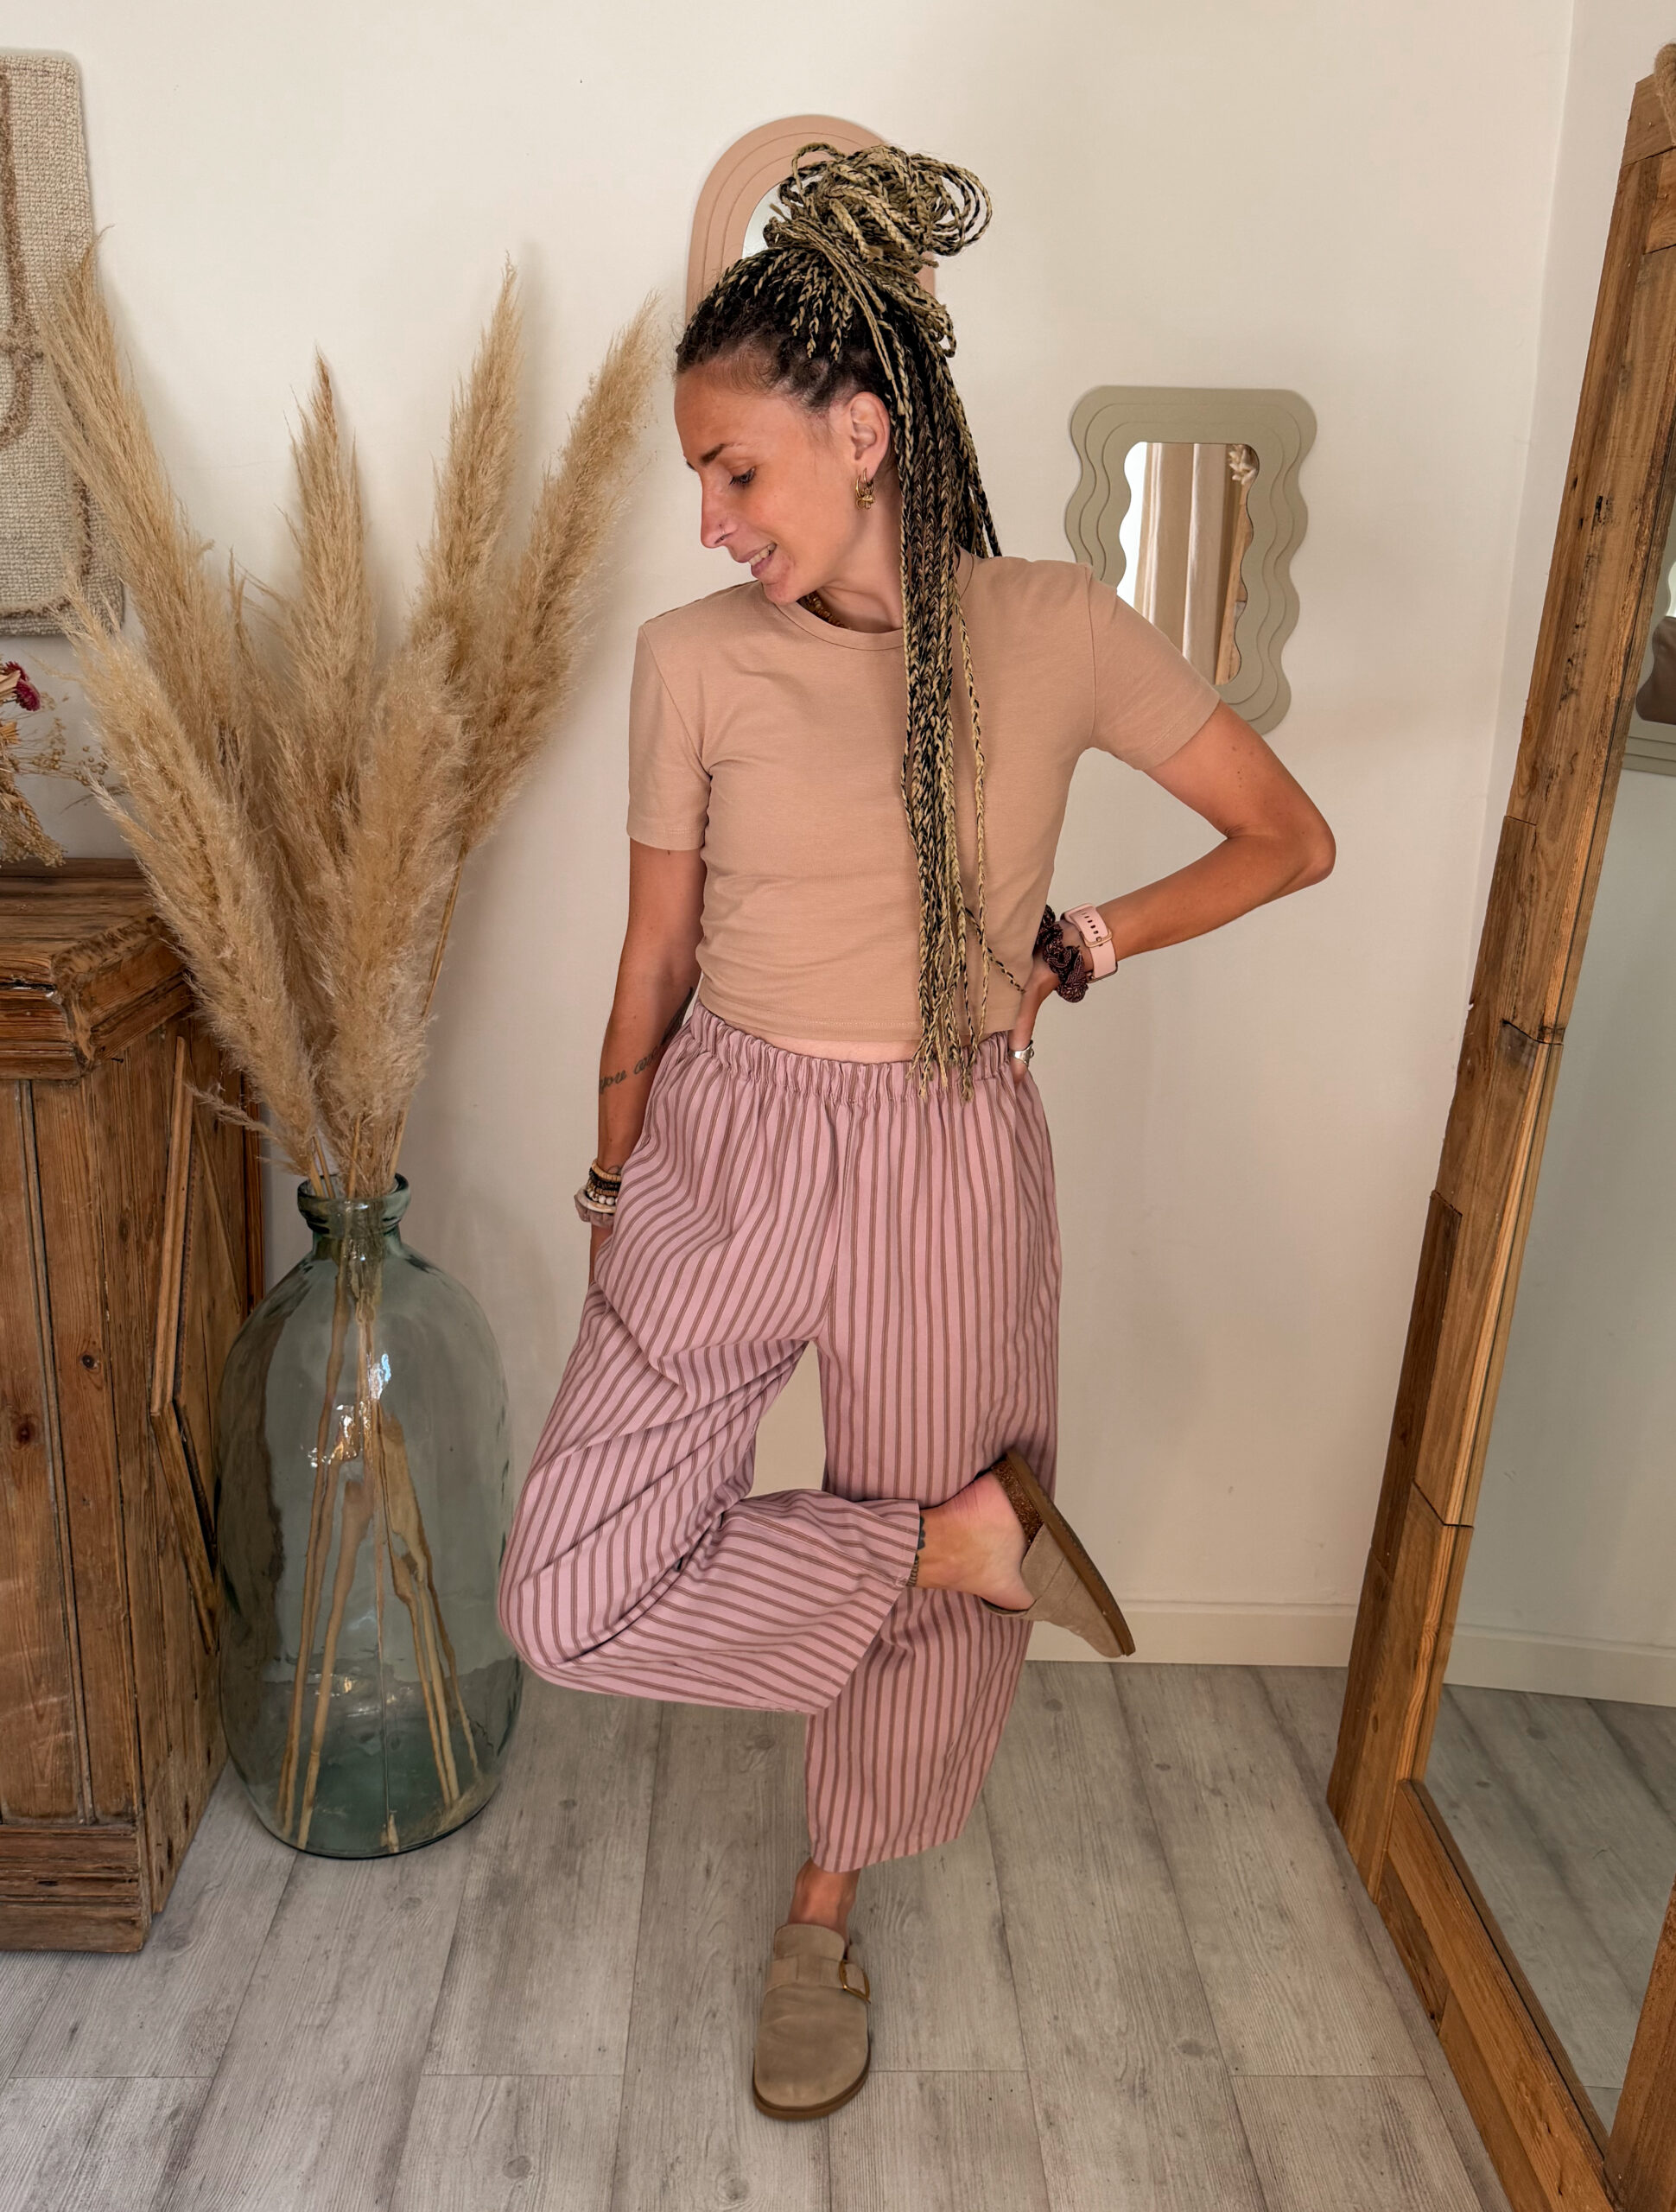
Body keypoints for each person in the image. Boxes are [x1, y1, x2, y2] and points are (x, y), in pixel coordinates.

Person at [496, 140, 1334, 2122]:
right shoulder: (689, 661)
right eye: (699, 482)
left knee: (926, 1579)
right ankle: (963, 1542)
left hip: (948, 1149)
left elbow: (1286, 836)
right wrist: (615, 1174)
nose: (709, 523)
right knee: (568, 1589)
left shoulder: (1056, 625)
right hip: (725, 1134)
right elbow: (652, 954)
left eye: (736, 472)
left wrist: (1089, 939)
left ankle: (825, 1905)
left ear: (861, 432)